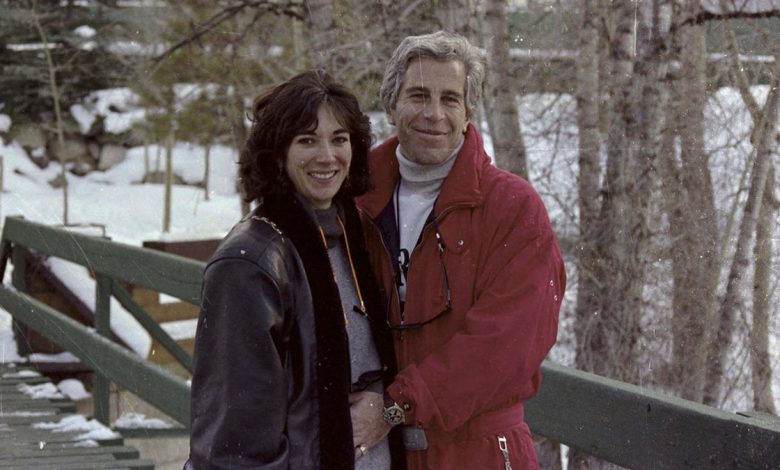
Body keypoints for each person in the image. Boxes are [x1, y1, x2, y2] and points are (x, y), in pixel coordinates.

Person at [350, 31, 566, 469]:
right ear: (391, 105)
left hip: (478, 451)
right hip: (380, 453)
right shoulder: (355, 198)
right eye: (418, 95)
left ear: (469, 113)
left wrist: (397, 405)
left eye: (450, 99)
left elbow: (506, 345)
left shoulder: (511, 206)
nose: (433, 113)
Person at [187, 70, 403, 469]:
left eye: (339, 139)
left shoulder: (352, 236)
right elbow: (234, 444)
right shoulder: (249, 263)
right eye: (307, 140)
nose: (327, 156)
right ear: (277, 152)